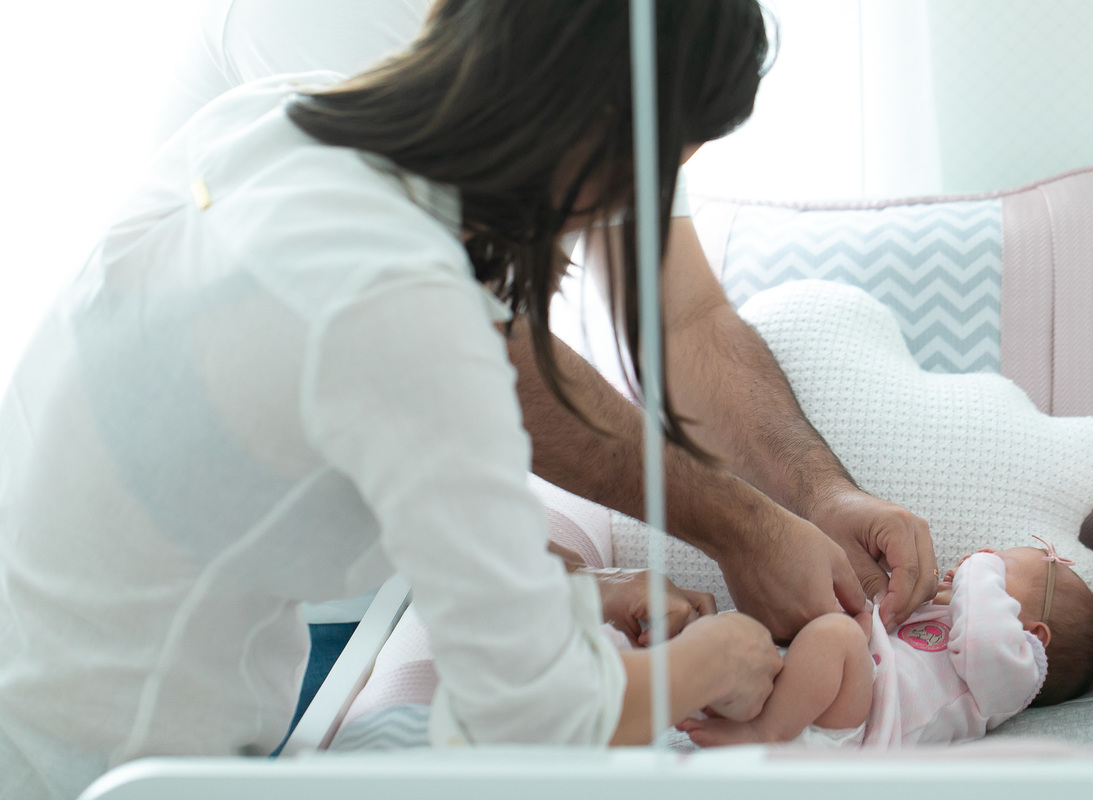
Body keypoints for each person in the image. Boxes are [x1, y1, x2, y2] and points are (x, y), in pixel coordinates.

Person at [0, 4, 789, 799]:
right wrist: (721, 658)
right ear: (603, 135)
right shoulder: (406, 304)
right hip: (95, 765)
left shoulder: (276, 123)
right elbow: (537, 721)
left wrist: (560, 597)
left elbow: (220, 483)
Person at [155, 0, 938, 644]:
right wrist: (744, 531)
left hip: (367, 559)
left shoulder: (597, 49)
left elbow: (684, 321)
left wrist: (821, 497)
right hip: (234, 596)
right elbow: (470, 342)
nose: (635, 193)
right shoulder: (352, 32)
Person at [678, 538, 1093, 748]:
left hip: (860, 729)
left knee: (836, 636)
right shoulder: (940, 613)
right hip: (821, 692)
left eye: (1001, 571)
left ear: (1035, 635)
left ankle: (764, 732)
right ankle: (698, 691)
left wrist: (981, 566)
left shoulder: (1013, 674)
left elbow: (984, 635)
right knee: (736, 636)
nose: (976, 564)